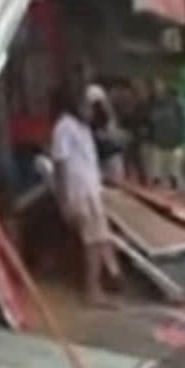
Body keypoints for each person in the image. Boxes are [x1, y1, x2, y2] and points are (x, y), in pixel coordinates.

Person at [50, 84, 119, 307]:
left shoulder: (83, 127)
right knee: (91, 243)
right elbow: (60, 165)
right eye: (86, 106)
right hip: (79, 192)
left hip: (91, 190)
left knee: (99, 240)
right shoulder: (64, 127)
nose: (90, 111)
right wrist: (64, 200)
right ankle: (92, 292)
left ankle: (99, 287)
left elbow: (106, 121)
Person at [147, 78, 185, 189]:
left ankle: (174, 182)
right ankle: (157, 183)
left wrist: (182, 134)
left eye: (159, 87)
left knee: (174, 165)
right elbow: (149, 121)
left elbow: (182, 119)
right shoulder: (151, 103)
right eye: (155, 87)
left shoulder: (174, 102)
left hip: (174, 137)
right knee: (156, 166)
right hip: (158, 139)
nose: (157, 89)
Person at [87, 83, 126, 183]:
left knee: (114, 183)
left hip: (110, 155)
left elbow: (109, 133)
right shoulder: (94, 115)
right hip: (102, 156)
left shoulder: (106, 113)